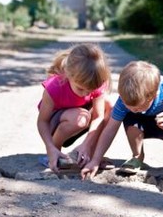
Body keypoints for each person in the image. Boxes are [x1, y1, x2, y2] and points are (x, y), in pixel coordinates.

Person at [80, 60, 163, 179]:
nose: (134, 109)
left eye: (139, 107)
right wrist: (95, 160)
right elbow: (110, 130)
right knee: (130, 118)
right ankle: (137, 157)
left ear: (155, 95)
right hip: (140, 125)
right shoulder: (122, 102)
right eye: (129, 106)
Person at [37, 43, 113, 173]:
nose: (86, 93)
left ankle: (90, 154)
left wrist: (86, 144)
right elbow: (42, 121)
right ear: (68, 75)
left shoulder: (95, 80)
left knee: (109, 106)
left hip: (82, 115)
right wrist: (50, 147)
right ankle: (54, 154)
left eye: (91, 90)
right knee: (79, 117)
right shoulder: (54, 87)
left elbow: (98, 117)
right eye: (81, 88)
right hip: (56, 123)